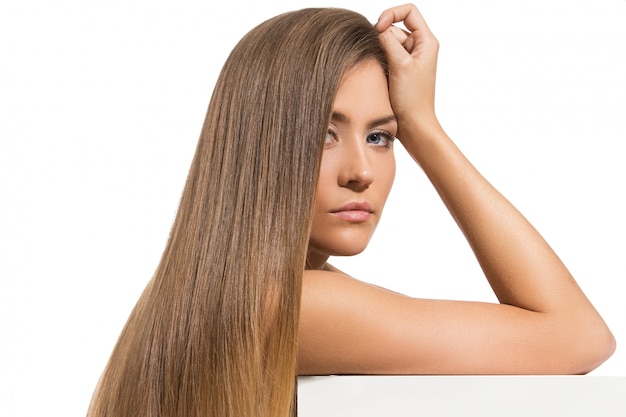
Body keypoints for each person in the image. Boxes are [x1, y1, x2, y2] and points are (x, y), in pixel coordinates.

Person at [87, 4, 615, 417]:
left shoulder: (214, 291)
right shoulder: (291, 305)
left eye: (383, 135)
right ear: (258, 146)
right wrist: (424, 128)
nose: (361, 170)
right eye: (325, 133)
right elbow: (578, 336)